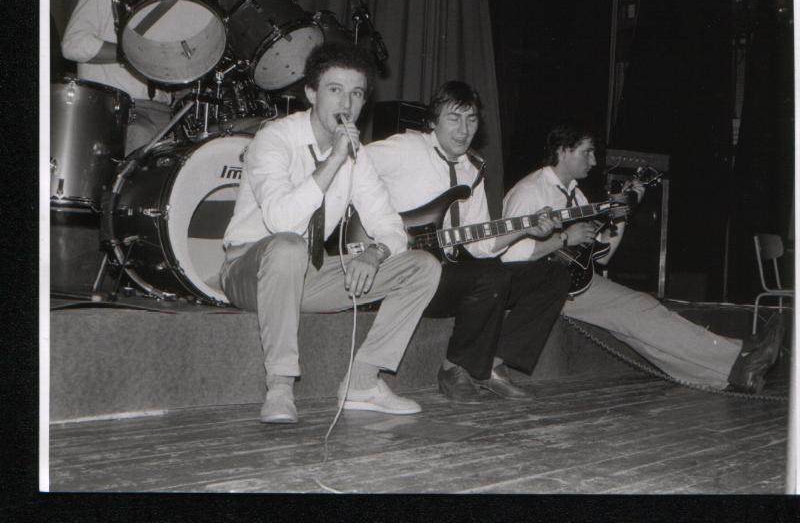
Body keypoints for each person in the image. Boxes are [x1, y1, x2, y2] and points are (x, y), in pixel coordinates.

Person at [220, 43, 441, 424]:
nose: (346, 103)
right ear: (311, 93)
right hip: (249, 271)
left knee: (423, 266)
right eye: (335, 90)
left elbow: (390, 226)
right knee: (288, 246)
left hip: (308, 274)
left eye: (356, 93)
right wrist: (335, 159)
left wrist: (374, 253)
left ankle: (362, 382)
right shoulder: (274, 139)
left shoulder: (358, 156)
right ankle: (280, 387)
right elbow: (283, 222)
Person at [501, 124, 785, 393]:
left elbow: (602, 256)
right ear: (563, 150)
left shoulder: (577, 196)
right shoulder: (529, 191)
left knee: (638, 322)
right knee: (641, 309)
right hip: (542, 286)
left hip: (571, 281)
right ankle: (739, 354)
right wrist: (564, 238)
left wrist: (621, 215)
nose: (594, 161)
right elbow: (508, 256)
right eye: (587, 152)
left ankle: (731, 373)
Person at [364, 81, 571, 402]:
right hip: (401, 272)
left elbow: (479, 243)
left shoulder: (472, 170)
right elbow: (349, 167)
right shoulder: (406, 148)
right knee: (491, 276)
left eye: (471, 119)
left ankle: (490, 365)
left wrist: (526, 228)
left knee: (552, 276)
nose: (463, 130)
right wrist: (369, 225)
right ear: (433, 121)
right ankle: (454, 369)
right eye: (454, 118)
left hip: (445, 276)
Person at [61, 0, 172, 154]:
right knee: (140, 137)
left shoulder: (169, 0)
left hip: (163, 112)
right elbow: (73, 44)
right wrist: (130, 53)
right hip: (115, 109)